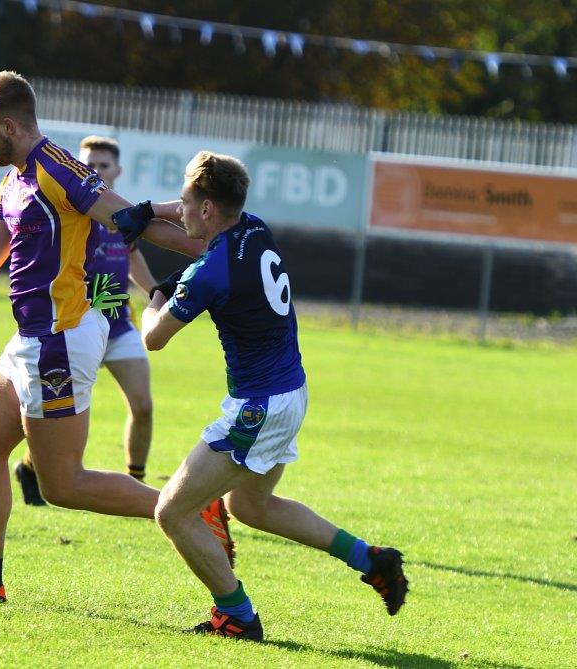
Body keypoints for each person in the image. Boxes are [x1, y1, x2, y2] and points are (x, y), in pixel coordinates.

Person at [0, 71, 233, 602]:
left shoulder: (59, 169)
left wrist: (215, 249)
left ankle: (188, 507)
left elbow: (130, 220)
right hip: (31, 337)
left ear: (8, 126)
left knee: (63, 486)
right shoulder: (15, 180)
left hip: (61, 337)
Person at [128, 151, 408, 640]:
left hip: (257, 408)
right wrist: (147, 211)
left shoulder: (209, 272)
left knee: (171, 511)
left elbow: (153, 338)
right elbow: (186, 228)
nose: (182, 209)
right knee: (251, 507)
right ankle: (372, 559)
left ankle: (236, 615)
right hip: (289, 394)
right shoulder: (253, 227)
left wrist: (154, 294)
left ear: (209, 208)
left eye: (187, 202)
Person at [14, 135, 158, 505]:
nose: (94, 170)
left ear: (118, 170)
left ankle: (135, 480)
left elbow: (133, 257)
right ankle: (31, 465)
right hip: (74, 327)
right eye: (88, 164)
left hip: (119, 326)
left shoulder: (119, 214)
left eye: (103, 165)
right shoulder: (71, 208)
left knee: (142, 405)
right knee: (57, 414)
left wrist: (157, 292)